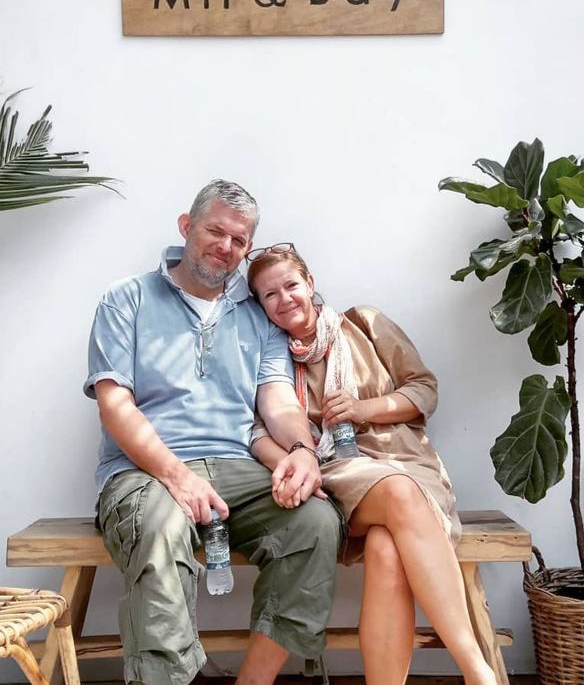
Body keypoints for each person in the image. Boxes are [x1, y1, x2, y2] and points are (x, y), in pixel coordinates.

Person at [84, 184, 343, 685]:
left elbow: (278, 401)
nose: (226, 246)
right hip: (144, 471)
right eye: (215, 231)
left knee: (315, 521)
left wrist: (302, 451)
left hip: (238, 470)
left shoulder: (258, 315)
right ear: (187, 226)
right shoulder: (126, 299)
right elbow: (115, 406)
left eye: (238, 240)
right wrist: (177, 476)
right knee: (158, 530)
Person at [247, 243, 497, 685]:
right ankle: (478, 672)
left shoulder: (363, 324)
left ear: (310, 282)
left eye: (291, 285)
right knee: (399, 492)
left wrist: (365, 409)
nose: (284, 299)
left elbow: (424, 389)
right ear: (260, 305)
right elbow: (256, 430)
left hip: (407, 460)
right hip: (335, 471)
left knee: (386, 547)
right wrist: (292, 464)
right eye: (270, 294)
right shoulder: (269, 356)